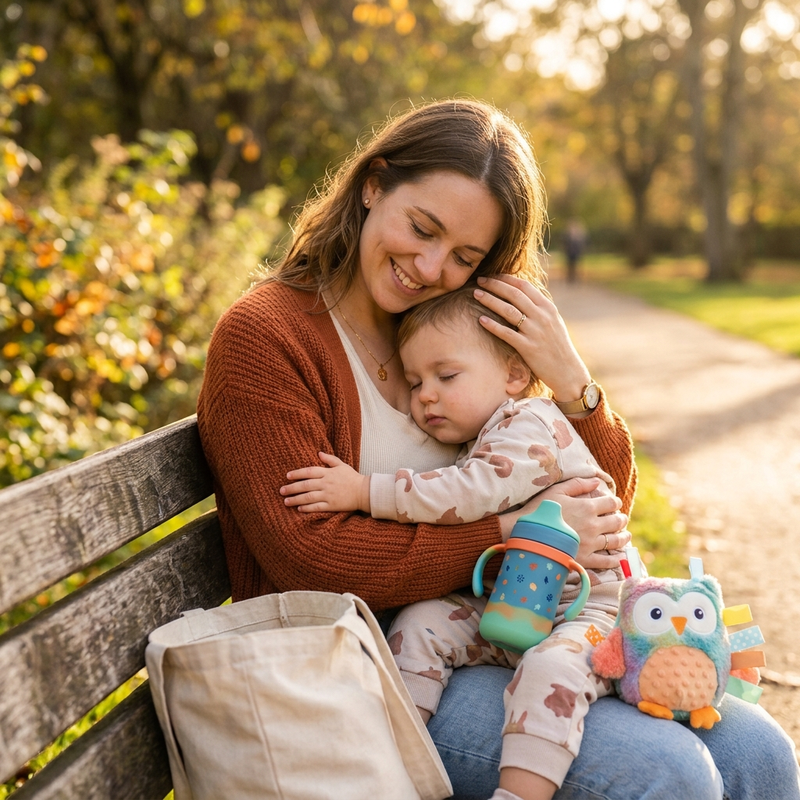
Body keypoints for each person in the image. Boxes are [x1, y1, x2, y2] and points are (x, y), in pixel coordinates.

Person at [196, 99, 799, 799]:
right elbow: (311, 560)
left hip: (498, 631)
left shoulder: (449, 328)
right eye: (422, 228)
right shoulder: (267, 338)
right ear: (372, 184)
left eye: (464, 256)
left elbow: (599, 506)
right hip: (354, 671)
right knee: (668, 772)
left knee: (761, 752)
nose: (428, 266)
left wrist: (573, 384)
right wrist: (512, 535)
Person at [281, 285, 627, 800]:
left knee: (551, 671)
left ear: (513, 375)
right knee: (421, 623)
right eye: (416, 381)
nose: (425, 395)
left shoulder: (526, 424)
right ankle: (393, 760)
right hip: (513, 605)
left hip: (584, 613)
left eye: (446, 376)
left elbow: (467, 495)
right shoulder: (480, 434)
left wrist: (363, 490)